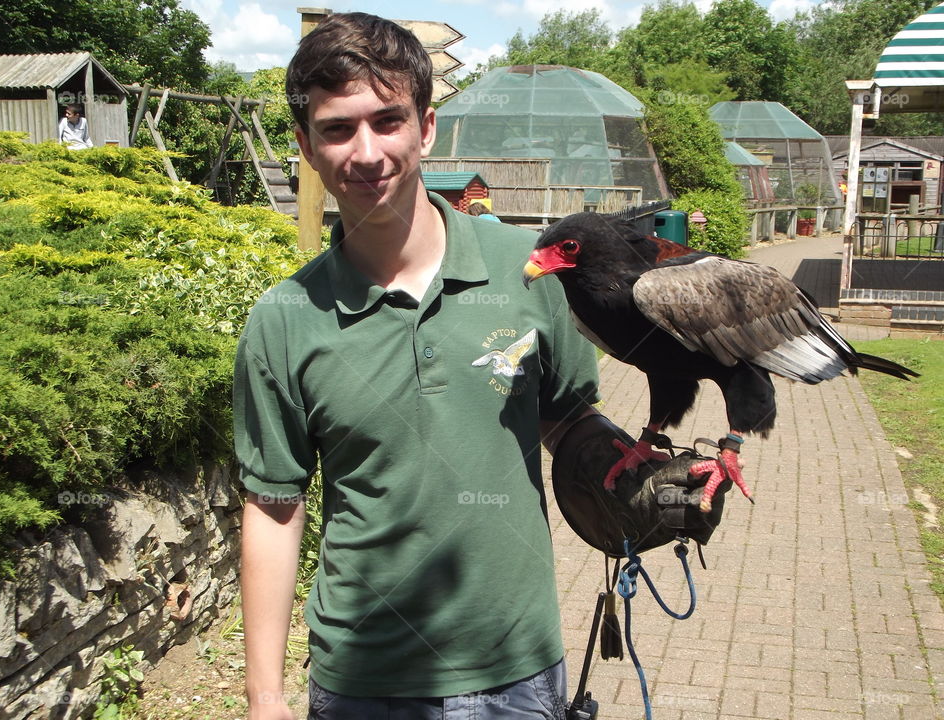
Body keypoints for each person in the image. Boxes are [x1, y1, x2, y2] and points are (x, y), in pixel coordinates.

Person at [233, 13, 726, 720]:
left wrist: (630, 474)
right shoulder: (283, 320)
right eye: (339, 129)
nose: (367, 151)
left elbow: (564, 414)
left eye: (388, 120)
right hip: (365, 682)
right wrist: (265, 698)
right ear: (307, 148)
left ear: (426, 127)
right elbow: (274, 509)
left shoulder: (530, 274)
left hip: (517, 670)